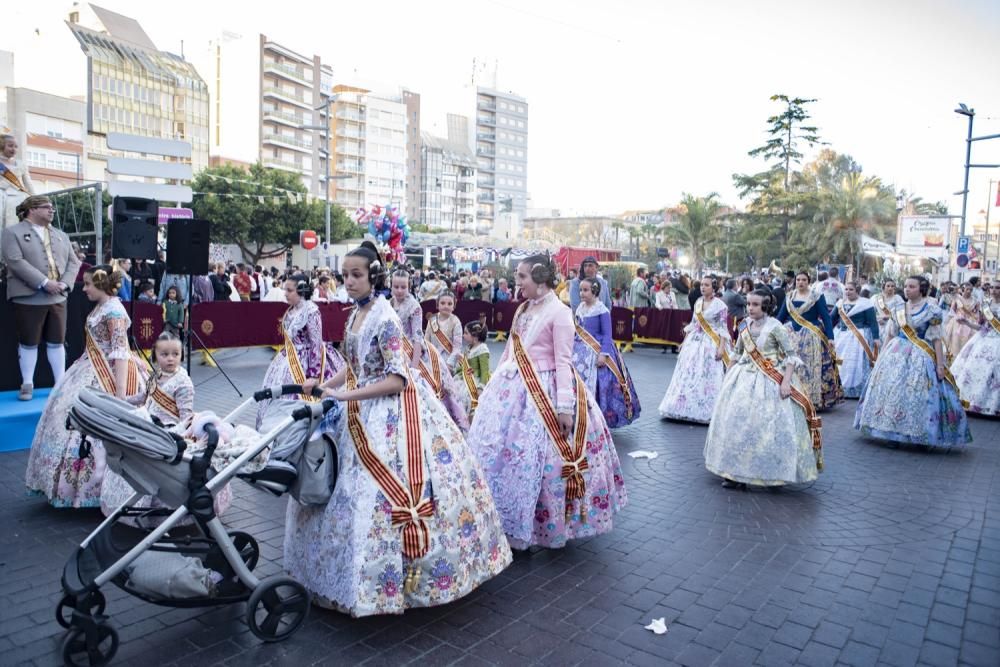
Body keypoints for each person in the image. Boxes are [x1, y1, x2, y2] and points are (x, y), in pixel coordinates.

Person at [286, 244, 512, 617]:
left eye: (357, 274)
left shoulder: (385, 317)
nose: (349, 281)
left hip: (390, 415)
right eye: (345, 275)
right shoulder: (356, 314)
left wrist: (344, 395)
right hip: (357, 406)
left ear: (373, 276)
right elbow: (356, 365)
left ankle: (392, 583)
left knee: (374, 497)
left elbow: (397, 378)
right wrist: (327, 383)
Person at [467, 255, 627, 549]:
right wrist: (493, 387)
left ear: (540, 279)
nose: (519, 283)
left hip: (546, 391)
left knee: (541, 462)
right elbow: (509, 351)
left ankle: (540, 525)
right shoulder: (523, 308)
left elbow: (564, 361)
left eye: (523, 277)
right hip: (513, 388)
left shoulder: (560, 313)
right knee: (505, 455)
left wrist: (564, 408)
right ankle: (504, 516)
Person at [24, 265, 148, 507]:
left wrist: (120, 396)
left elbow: (121, 353)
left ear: (102, 285)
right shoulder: (102, 307)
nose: (85, 288)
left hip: (106, 376)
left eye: (89, 284)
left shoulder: (113, 311)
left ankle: (98, 490)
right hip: (89, 368)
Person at [99, 332, 232, 522]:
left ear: (181, 355)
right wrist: (121, 402)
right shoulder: (155, 376)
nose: (170, 358)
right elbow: (143, 398)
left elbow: (186, 417)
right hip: (149, 424)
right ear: (155, 356)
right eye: (165, 354)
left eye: (175, 354)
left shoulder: (183, 383)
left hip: (170, 431)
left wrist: (179, 435)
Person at [703, 289, 822, 489]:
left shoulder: (776, 328)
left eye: (755, 305)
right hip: (742, 379)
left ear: (765, 306)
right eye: (748, 304)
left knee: (770, 429)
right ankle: (734, 474)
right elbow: (737, 353)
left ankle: (773, 475)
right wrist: (727, 376)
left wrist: (785, 383)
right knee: (736, 424)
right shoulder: (743, 325)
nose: (750, 308)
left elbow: (790, 357)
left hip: (770, 381)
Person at [855, 275, 972, 447]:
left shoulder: (931, 310)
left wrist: (940, 365)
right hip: (895, 354)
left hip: (920, 356)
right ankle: (892, 433)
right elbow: (890, 334)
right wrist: (880, 359)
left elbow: (937, 339)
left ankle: (917, 434)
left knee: (918, 395)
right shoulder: (898, 308)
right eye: (906, 286)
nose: (907, 289)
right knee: (893, 392)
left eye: (912, 286)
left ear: (921, 289)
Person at [2, 195, 82, 400]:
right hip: (29, 295)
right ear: (31, 210)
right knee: (29, 341)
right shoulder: (12, 232)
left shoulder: (61, 235)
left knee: (58, 341)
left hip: (58, 297)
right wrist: (45, 283)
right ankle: (27, 383)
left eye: (52, 207)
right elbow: (15, 261)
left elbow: (74, 262)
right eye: (46, 207)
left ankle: (60, 383)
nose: (51, 210)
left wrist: (64, 283)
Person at [389, 269, 469, 434]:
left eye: (403, 287)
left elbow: (418, 337)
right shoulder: (389, 304)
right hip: (392, 350)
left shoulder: (414, 307)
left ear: (409, 286)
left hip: (413, 352)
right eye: (396, 286)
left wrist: (414, 365)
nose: (399, 290)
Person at [256, 275, 343, 424]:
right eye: (286, 290)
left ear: (302, 290)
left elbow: (316, 343)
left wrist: (314, 375)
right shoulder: (292, 310)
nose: (285, 294)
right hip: (288, 360)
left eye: (290, 290)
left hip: (307, 363)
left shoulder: (311, 311)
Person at [658, 276, 733, 423]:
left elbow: (723, 328)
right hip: (695, 341)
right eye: (702, 285)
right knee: (689, 373)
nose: (703, 287)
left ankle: (707, 409)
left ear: (714, 288)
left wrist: (722, 347)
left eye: (706, 285)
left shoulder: (720, 306)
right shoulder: (698, 302)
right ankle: (682, 407)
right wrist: (684, 341)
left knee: (707, 375)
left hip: (712, 343)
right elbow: (693, 323)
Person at [573, 277, 641, 428]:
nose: (582, 293)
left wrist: (603, 354)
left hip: (597, 353)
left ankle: (596, 418)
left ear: (595, 291)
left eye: (585, 290)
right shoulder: (580, 308)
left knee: (599, 386)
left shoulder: (602, 309)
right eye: (581, 290)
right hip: (579, 353)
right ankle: (579, 414)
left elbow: (607, 334)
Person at [776, 271, 844, 410]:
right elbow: (781, 317)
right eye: (798, 280)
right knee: (791, 365)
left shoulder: (817, 296)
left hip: (812, 336)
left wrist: (830, 337)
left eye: (804, 280)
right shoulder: (789, 296)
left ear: (809, 281)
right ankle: (792, 393)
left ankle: (812, 398)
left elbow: (826, 317)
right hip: (791, 335)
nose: (800, 282)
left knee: (811, 366)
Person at [951, 282, 1000, 417]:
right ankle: (973, 402)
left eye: (998, 288)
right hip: (983, 340)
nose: (994, 290)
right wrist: (966, 323)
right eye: (992, 287)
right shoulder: (986, 305)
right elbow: (982, 327)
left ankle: (993, 405)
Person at [831, 282, 880, 399]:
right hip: (841, 336)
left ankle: (856, 391)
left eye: (851, 289)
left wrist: (876, 337)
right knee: (840, 362)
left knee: (855, 363)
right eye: (846, 289)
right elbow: (831, 318)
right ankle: (840, 388)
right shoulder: (840, 303)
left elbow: (873, 322)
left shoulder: (865, 304)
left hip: (858, 337)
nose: (848, 292)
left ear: (856, 290)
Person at [0, 133, 35, 254]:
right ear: (2, 145)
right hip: (1, 197)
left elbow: (28, 183)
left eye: (16, 146)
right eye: (10, 146)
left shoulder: (21, 164)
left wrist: (35, 198)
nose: (13, 149)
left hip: (18, 198)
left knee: (15, 227)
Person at [454, 320, 491, 422]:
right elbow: (464, 366)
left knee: (466, 399)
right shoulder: (468, 348)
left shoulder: (482, 350)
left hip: (476, 381)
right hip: (463, 379)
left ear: (474, 336)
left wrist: (481, 387)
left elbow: (485, 371)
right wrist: (455, 371)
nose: (463, 335)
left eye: (466, 333)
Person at [425, 290, 463, 374]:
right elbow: (426, 341)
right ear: (437, 305)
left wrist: (449, 364)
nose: (446, 306)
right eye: (442, 303)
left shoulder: (456, 322)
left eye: (449, 304)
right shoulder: (432, 320)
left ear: (454, 306)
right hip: (432, 359)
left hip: (449, 361)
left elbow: (457, 347)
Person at [943, 282, 983, 360]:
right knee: (956, 341)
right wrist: (947, 322)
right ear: (963, 289)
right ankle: (955, 359)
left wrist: (976, 321)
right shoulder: (957, 299)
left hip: (970, 323)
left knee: (969, 342)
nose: (969, 291)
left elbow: (977, 313)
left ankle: (966, 359)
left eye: (971, 290)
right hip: (958, 322)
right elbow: (952, 311)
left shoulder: (975, 301)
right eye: (967, 289)